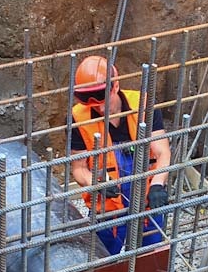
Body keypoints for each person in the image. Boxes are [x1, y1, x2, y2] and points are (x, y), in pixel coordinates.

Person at [69, 55, 171, 255]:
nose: (97, 107)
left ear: (115, 86)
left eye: (100, 97)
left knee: (149, 254)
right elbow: (79, 168)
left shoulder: (143, 105)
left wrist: (158, 184)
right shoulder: (78, 118)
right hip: (108, 204)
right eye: (88, 99)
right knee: (100, 258)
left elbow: (162, 153)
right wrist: (97, 183)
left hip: (147, 194)